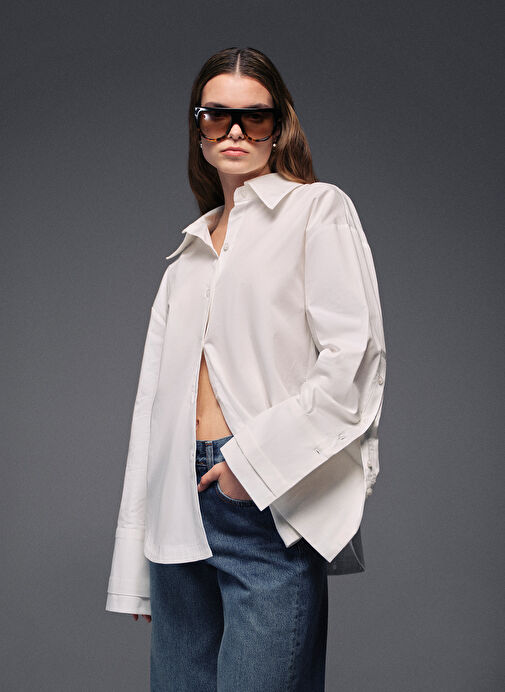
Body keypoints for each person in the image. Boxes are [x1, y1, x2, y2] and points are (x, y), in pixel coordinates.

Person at [105, 46, 387, 691]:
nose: (234, 131)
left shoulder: (317, 210)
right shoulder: (188, 255)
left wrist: (249, 468)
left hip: (262, 494)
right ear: (198, 128)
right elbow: (152, 409)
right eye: (216, 116)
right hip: (178, 505)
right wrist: (138, 562)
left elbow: (353, 360)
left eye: (254, 117)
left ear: (278, 126)